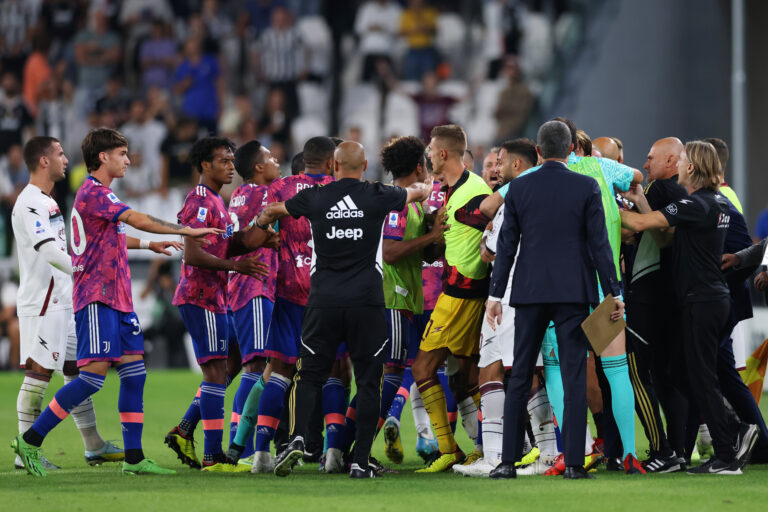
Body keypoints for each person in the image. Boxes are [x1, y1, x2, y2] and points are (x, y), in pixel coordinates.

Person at [12, 127, 219, 477]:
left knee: (135, 374)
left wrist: (149, 245)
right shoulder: (93, 192)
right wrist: (182, 230)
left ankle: (134, 458)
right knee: (91, 378)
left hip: (119, 297)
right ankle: (30, 440)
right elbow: (134, 218)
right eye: (122, 154)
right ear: (103, 157)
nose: (128, 160)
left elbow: (114, 236)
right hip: (97, 297)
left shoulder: (100, 196)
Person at [255, 141, 431, 478]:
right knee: (368, 382)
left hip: (323, 302)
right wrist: (425, 186)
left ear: (334, 167)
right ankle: (360, 461)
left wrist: (263, 219)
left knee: (309, 375)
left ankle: (298, 438)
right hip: (366, 303)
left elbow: (278, 209)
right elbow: (415, 193)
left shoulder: (316, 197)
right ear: (364, 166)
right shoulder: (379, 194)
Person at [486, 120, 623, 480]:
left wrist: (495, 294)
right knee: (573, 375)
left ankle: (506, 462)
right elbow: (599, 245)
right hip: (573, 293)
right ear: (572, 149)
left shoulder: (519, 187)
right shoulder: (586, 186)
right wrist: (614, 291)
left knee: (519, 374)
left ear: (537, 151)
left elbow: (506, 246)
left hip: (529, 292)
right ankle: (575, 464)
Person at [620, 140, 759, 475]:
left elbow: (641, 225)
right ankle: (731, 436)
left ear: (691, 167)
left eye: (682, 161)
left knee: (699, 376)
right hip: (710, 299)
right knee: (684, 372)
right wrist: (640, 199)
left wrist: (600, 203)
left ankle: (728, 452)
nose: (678, 166)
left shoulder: (694, 204)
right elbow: (665, 235)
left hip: (702, 301)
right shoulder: (717, 202)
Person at [11, 137, 124, 472]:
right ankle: (24, 452)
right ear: (43, 161)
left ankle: (93, 444)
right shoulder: (30, 202)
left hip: (64, 298)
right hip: (44, 302)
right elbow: (48, 250)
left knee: (76, 372)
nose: (65, 159)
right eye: (59, 154)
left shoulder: (48, 200)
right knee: (38, 375)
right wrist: (83, 270)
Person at [166, 136, 273, 472]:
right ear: (205, 165)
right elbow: (194, 253)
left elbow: (227, 244)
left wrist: (259, 238)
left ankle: (185, 430)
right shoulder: (200, 201)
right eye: (223, 161)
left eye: (231, 160)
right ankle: (214, 456)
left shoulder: (218, 201)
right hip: (201, 296)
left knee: (225, 368)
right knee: (216, 373)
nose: (230, 167)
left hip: (216, 297)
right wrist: (236, 267)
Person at [455, 137, 538, 478]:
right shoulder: (534, 193)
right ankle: (519, 454)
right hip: (524, 293)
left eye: (500, 161)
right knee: (514, 371)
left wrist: (485, 239)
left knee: (507, 371)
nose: (497, 168)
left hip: (509, 296)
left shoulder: (515, 195)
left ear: (516, 164)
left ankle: (517, 454)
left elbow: (490, 250)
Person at [411, 125, 492, 473]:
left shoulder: (474, 192)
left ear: (443, 153)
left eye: (431, 150)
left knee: (422, 368)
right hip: (464, 293)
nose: (428, 155)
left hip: (461, 294)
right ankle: (489, 447)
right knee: (467, 378)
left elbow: (492, 234)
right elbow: (453, 240)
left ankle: (448, 449)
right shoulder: (454, 190)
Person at [378, 136, 447, 466]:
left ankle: (422, 436)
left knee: (412, 367)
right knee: (400, 370)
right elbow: (390, 253)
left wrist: (438, 236)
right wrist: (432, 235)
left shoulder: (419, 202)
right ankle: (353, 447)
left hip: (411, 299)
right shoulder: (400, 202)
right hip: (396, 297)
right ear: (420, 167)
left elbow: (427, 253)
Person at [625, 137, 688, 471]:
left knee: (636, 372)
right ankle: (678, 449)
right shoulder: (689, 195)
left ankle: (661, 449)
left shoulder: (658, 189)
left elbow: (643, 231)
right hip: (673, 297)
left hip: (646, 296)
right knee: (667, 375)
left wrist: (605, 206)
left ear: (672, 161)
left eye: (651, 158)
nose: (645, 165)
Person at [223, 140, 281, 465]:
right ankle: (242, 449)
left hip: (242, 286)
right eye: (270, 157)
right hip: (256, 286)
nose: (276, 161)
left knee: (242, 367)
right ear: (258, 167)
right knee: (256, 367)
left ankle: (235, 442)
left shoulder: (240, 193)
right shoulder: (263, 195)